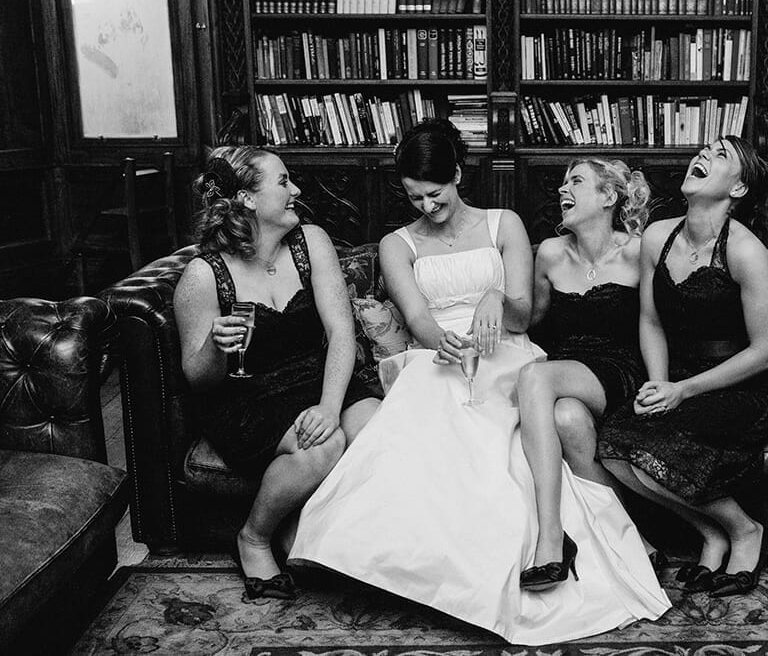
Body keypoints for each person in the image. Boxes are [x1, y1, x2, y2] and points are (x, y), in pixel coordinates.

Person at [288, 119, 669, 645]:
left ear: (458, 176)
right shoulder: (397, 244)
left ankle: (550, 548)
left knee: (509, 447)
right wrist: (441, 340)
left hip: (507, 355)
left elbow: (521, 315)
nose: (426, 205)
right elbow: (418, 318)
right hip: (437, 360)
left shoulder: (503, 224)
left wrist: (494, 300)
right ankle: (406, 569)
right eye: (415, 196)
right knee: (433, 433)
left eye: (435, 192)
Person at [174, 147, 381, 600]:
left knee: (378, 431)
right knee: (321, 449)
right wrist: (215, 346)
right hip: (250, 395)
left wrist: (330, 405)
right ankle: (255, 537)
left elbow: (341, 333)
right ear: (247, 199)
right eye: (284, 182)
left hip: (319, 376)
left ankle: (316, 535)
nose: (297, 190)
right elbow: (198, 378)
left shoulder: (312, 242)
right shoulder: (204, 276)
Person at [598, 135, 768, 598]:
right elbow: (649, 318)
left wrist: (685, 392)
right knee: (612, 449)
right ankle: (710, 532)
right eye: (705, 149)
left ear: (738, 190)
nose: (702, 155)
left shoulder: (746, 251)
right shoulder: (657, 237)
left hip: (741, 386)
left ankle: (744, 531)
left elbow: (767, 351)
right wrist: (660, 382)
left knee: (650, 449)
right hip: (676, 377)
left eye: (720, 156)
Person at [517, 158, 650, 591]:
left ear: (609, 197)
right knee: (566, 419)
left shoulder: (638, 249)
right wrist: (492, 299)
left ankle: (551, 534)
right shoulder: (550, 253)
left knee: (534, 379)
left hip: (619, 368)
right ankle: (637, 538)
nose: (562, 190)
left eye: (575, 181)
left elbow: (657, 323)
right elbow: (528, 320)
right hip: (567, 370)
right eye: (561, 183)